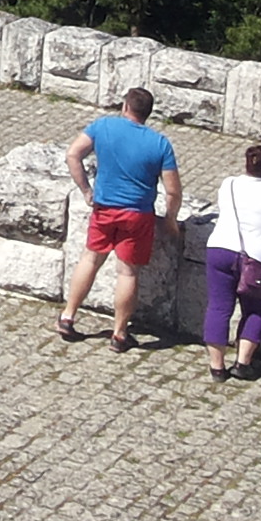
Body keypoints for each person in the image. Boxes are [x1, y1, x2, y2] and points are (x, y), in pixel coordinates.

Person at [58, 86, 181, 351]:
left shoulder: (103, 126)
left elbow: (73, 154)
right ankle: (119, 333)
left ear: (125, 107)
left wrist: (86, 190)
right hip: (138, 216)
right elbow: (173, 191)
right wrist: (171, 219)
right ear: (148, 113)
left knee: (90, 259)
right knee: (127, 272)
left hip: (104, 209)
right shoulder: (160, 144)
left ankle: (68, 316)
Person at [203, 142, 261, 381]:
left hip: (220, 249)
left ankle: (217, 367)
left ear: (246, 165)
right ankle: (243, 363)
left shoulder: (229, 184)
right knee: (255, 309)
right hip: (255, 259)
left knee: (218, 307)